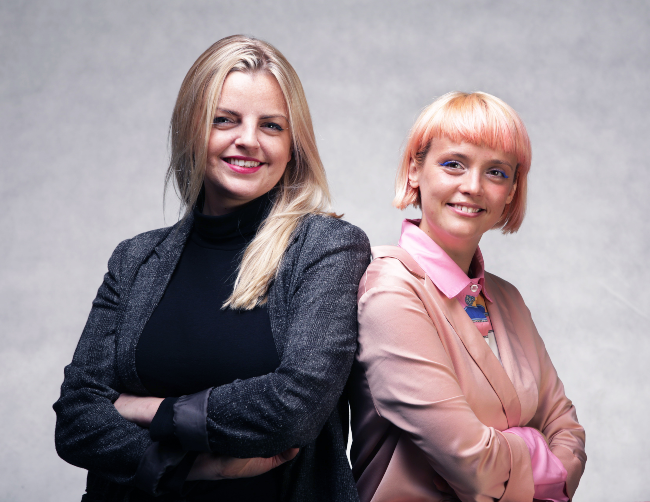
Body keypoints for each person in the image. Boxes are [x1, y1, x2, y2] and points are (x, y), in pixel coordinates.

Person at [54, 35, 370, 502]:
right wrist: (195, 468)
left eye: (271, 126)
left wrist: (156, 411)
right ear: (192, 128)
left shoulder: (327, 248)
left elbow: (295, 407)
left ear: (293, 145)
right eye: (225, 120)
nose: (248, 139)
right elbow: (77, 420)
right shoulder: (135, 260)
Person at [349, 92, 586, 502]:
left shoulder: (507, 299)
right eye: (453, 164)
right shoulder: (390, 290)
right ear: (414, 171)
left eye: (496, 172)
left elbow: (569, 432)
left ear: (511, 191)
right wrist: (533, 444)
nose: (473, 186)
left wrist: (504, 453)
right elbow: (472, 464)